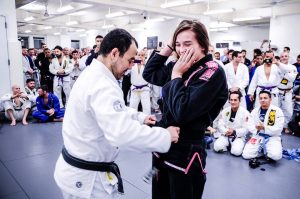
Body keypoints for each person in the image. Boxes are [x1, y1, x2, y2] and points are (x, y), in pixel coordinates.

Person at [53, 29, 180, 199]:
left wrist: (140, 117)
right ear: (114, 53)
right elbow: (122, 134)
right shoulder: (102, 84)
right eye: (129, 60)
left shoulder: (93, 74)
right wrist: (164, 136)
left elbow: (112, 110)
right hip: (88, 183)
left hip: (77, 171)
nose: (130, 67)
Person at [143, 20, 228, 199]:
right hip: (164, 144)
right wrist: (168, 47)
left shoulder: (212, 71)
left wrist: (176, 75)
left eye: (188, 44)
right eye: (178, 45)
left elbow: (183, 112)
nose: (181, 50)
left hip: (186, 153)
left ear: (203, 46)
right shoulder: (182, 64)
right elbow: (149, 73)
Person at [242, 91, 284, 161]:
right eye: (261, 98)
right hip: (258, 136)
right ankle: (262, 150)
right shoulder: (255, 111)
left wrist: (264, 127)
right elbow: (250, 124)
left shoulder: (277, 111)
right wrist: (257, 129)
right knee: (246, 155)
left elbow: (279, 128)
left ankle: (273, 146)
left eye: (265, 98)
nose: (263, 100)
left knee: (275, 156)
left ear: (270, 99)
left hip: (272, 137)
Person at [214, 91, 255, 156]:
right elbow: (220, 124)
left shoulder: (245, 113)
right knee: (217, 148)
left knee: (236, 152)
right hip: (226, 135)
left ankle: (234, 145)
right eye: (231, 100)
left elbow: (246, 129)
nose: (233, 102)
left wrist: (234, 131)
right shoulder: (225, 111)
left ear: (240, 100)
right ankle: (228, 144)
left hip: (238, 136)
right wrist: (226, 131)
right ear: (229, 100)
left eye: (235, 100)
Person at [129, 50, 151, 115]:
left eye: (142, 55)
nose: (140, 57)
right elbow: (126, 73)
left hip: (145, 89)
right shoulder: (132, 65)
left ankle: (148, 122)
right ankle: (132, 120)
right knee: (133, 106)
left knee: (146, 106)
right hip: (134, 89)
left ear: (145, 56)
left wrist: (145, 64)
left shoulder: (147, 65)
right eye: (139, 55)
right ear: (136, 56)